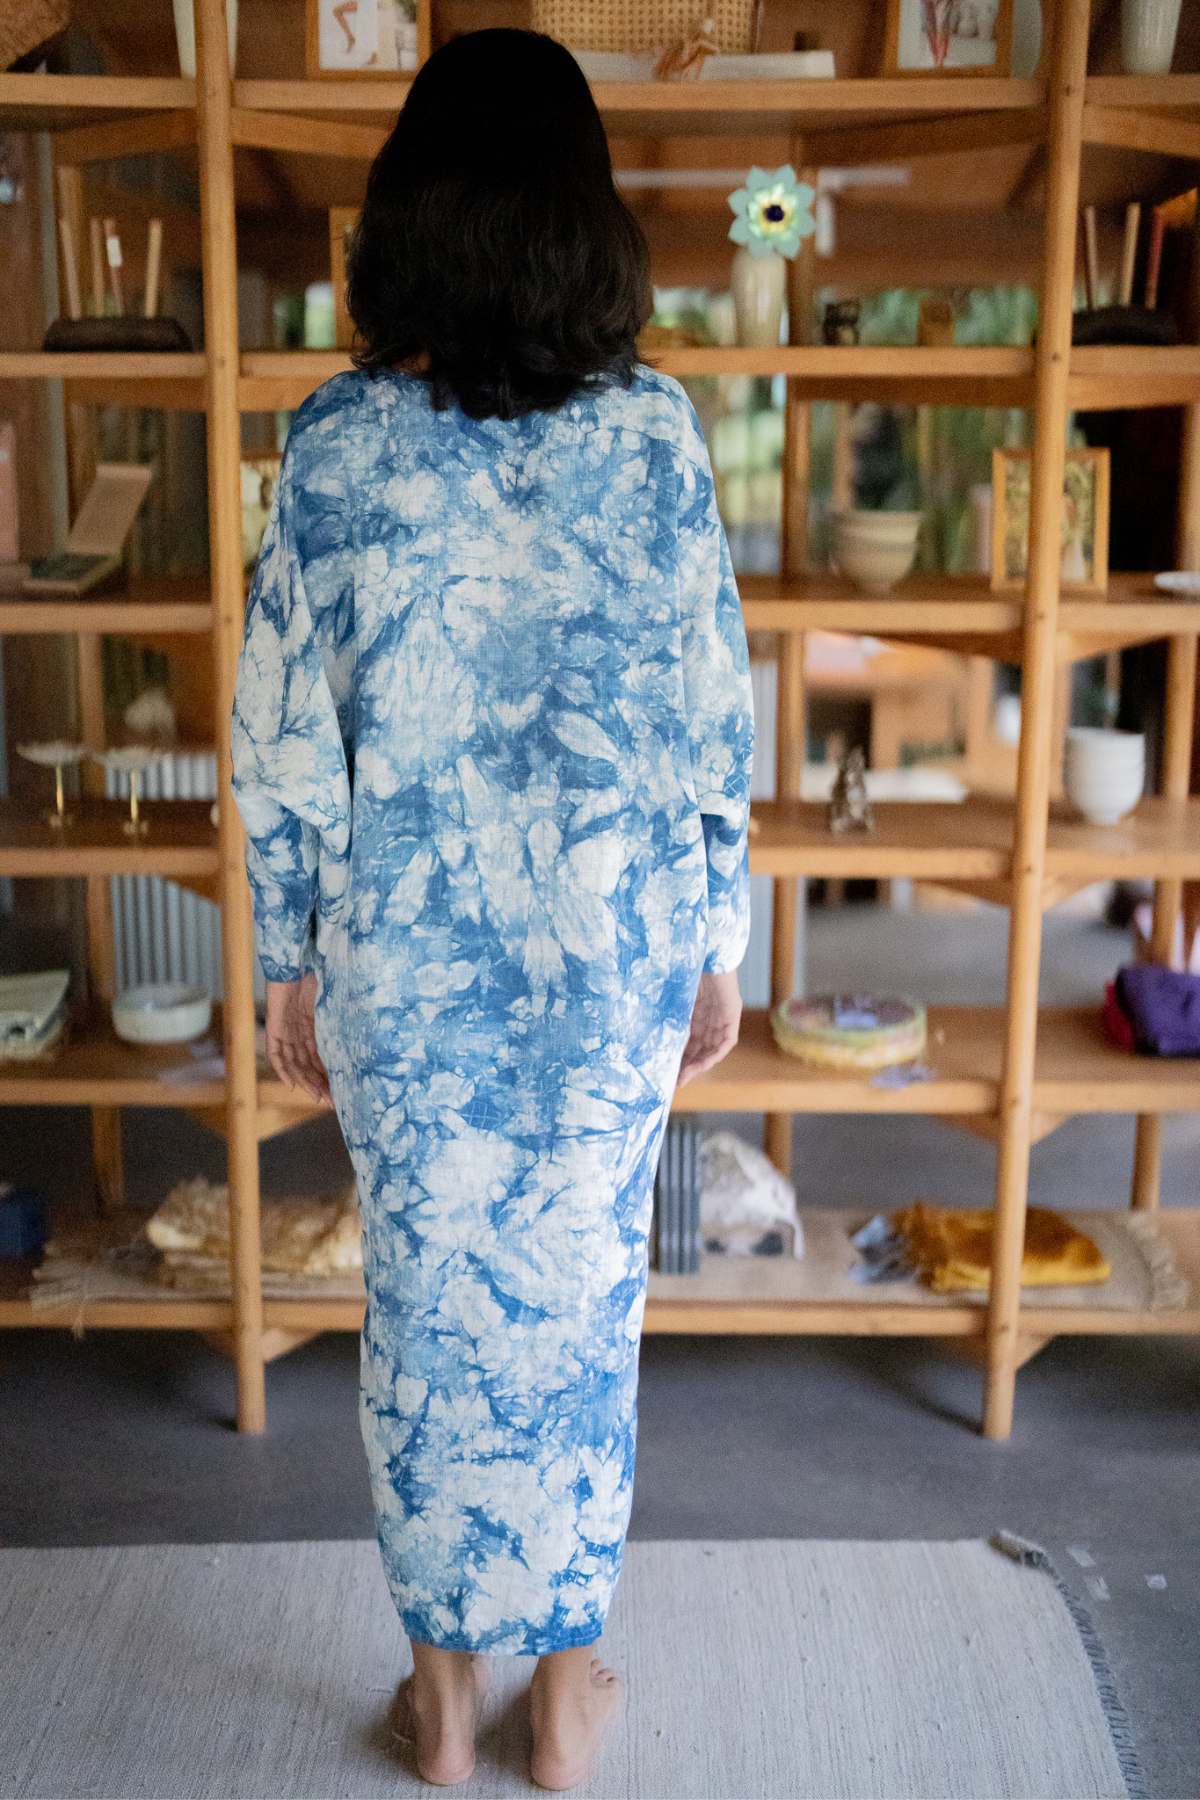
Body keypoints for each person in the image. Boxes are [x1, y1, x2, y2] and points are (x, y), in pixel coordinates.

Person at [231, 27, 753, 1791]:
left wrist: (281, 962)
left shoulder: (331, 449)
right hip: (608, 966)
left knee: (429, 1308)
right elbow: (709, 720)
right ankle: (566, 1698)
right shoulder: (661, 441)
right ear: (583, 223)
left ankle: (443, 1705)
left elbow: (283, 744)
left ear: (412, 222)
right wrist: (719, 937)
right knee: (583, 1308)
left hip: (406, 973)